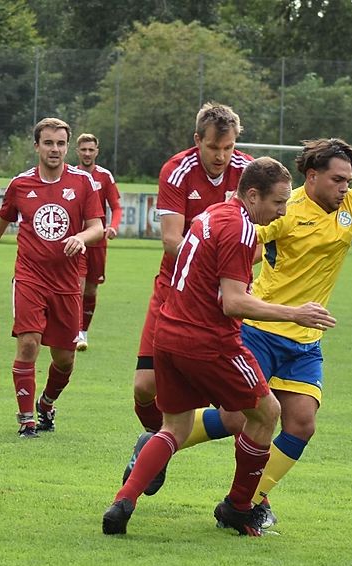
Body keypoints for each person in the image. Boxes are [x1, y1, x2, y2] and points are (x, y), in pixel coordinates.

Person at [122, 138, 352, 526]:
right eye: (337, 179)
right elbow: (241, 241)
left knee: (301, 423)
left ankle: (247, 500)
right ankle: (159, 442)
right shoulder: (284, 210)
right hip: (261, 329)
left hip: (306, 339)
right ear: (312, 176)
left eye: (349, 179)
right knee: (235, 419)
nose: (345, 187)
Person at [103, 157, 336, 536]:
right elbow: (233, 302)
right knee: (266, 412)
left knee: (174, 428)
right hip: (210, 342)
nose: (283, 211)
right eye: (278, 203)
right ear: (253, 195)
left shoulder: (212, 213)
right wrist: (295, 313)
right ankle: (239, 508)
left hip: (168, 335)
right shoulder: (243, 230)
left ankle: (122, 501)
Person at [0, 117, 104, 437]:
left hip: (68, 283)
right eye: (49, 143)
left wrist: (82, 237)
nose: (55, 149)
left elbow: (96, 225)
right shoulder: (21, 185)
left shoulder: (83, 183)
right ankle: (26, 419)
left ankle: (47, 403)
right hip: (30, 277)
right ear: (37, 145)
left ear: (67, 147)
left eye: (60, 143)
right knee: (28, 344)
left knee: (65, 359)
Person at [132, 102, 252, 436]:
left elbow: (258, 240)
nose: (221, 156)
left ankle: (163, 448)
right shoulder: (177, 170)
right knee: (144, 386)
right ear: (197, 139)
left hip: (225, 294)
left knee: (238, 409)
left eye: (228, 147)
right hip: (175, 287)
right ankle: (155, 442)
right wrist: (218, 261)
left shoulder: (248, 171)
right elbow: (171, 240)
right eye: (213, 147)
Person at [73, 133, 124, 351]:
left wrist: (113, 226)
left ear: (97, 151)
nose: (86, 153)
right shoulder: (71, 175)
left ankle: (83, 330)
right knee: (78, 287)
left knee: (91, 290)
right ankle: (75, 333)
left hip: (98, 241)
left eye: (90, 149)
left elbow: (116, 206)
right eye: (83, 149)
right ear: (77, 151)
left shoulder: (105, 176)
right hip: (76, 241)